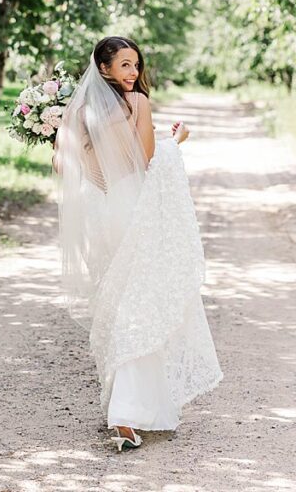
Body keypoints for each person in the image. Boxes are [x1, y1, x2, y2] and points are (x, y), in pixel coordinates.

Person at [53, 36, 222, 451]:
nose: (132, 73)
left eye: (135, 64)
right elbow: (148, 160)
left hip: (102, 212)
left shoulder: (84, 112)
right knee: (140, 306)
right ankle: (127, 412)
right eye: (124, 65)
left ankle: (124, 404)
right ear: (105, 69)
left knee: (118, 303)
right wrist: (176, 142)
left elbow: (69, 163)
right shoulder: (139, 104)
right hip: (133, 209)